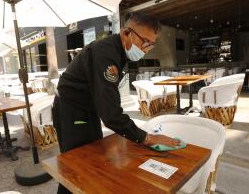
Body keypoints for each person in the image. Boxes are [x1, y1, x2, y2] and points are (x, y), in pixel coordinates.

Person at [53, 13, 180, 194]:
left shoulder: (120, 52)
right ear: (126, 33)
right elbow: (110, 114)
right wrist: (147, 138)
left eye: (151, 44)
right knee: (77, 166)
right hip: (72, 109)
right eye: (144, 41)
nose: (147, 48)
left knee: (94, 158)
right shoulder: (106, 54)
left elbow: (107, 100)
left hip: (88, 109)